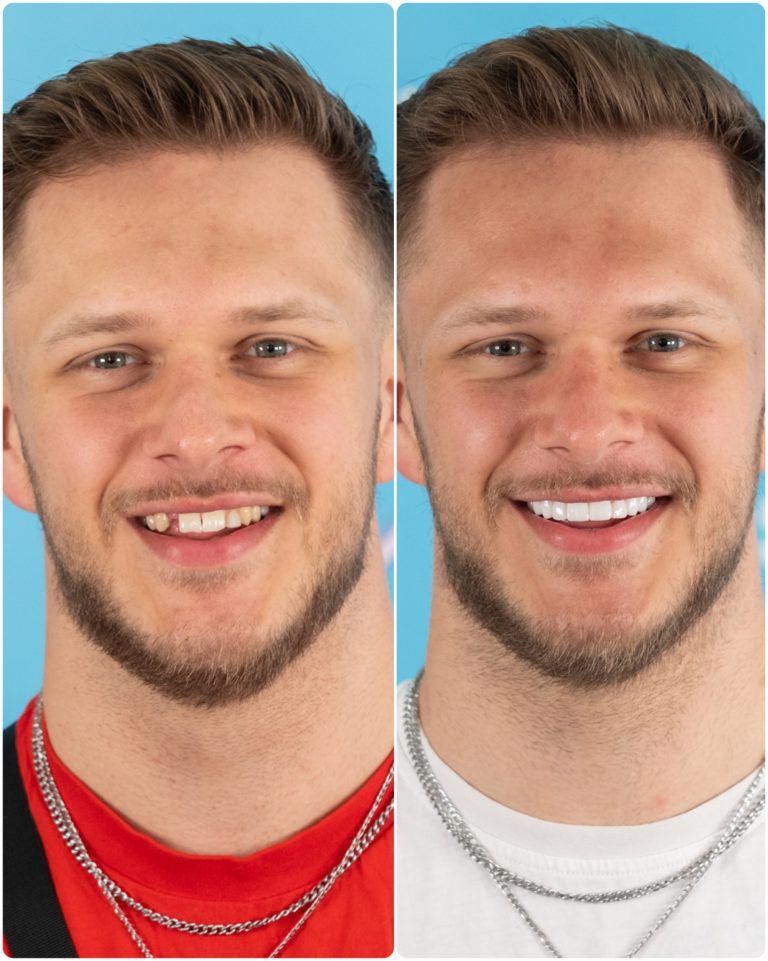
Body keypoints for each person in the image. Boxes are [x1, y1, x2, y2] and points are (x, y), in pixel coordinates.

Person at [3, 38, 394, 958]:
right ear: (10, 438)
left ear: (395, 405)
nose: (195, 432)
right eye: (109, 359)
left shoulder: (595, 887)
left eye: (271, 347)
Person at [396, 24, 764, 958]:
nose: (590, 426)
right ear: (394, 411)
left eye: (665, 341)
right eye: (504, 346)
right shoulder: (278, 859)